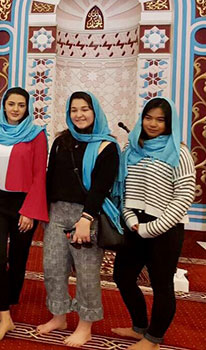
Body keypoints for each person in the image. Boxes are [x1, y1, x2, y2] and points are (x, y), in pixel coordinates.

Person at [37, 91, 120, 347]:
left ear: (95, 111)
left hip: (87, 216)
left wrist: (86, 219)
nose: (79, 114)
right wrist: (44, 213)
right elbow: (51, 178)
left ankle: (86, 325)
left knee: (86, 274)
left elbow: (100, 187)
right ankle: (59, 316)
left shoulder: (107, 146)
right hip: (56, 213)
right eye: (74, 109)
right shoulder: (61, 141)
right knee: (52, 269)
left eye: (85, 109)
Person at [112, 97, 195, 350]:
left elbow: (185, 194)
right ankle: (139, 327)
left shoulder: (178, 152)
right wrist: (131, 218)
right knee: (123, 276)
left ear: (169, 123)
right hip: (134, 224)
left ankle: (154, 338)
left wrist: (153, 228)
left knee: (161, 284)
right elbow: (123, 189)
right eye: (149, 118)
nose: (153, 124)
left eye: (160, 119)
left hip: (166, 228)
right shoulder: (131, 149)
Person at [0, 87, 48, 342]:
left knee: (18, 258)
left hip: (23, 202)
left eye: (21, 105)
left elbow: (40, 174)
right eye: (11, 104)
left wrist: (29, 211)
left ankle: (11, 298)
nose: (16, 109)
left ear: (27, 108)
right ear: (3, 105)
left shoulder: (36, 134)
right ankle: (4, 315)